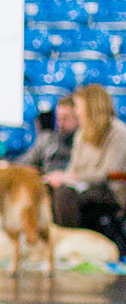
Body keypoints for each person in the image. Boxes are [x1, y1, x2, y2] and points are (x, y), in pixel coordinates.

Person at [48, 84, 126, 256]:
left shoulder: (117, 133)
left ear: (91, 108)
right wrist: (63, 177)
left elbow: (109, 173)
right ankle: (57, 244)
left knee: (65, 195)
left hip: (110, 192)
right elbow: (73, 167)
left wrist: (75, 177)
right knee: (56, 189)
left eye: (79, 108)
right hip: (83, 187)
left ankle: (72, 244)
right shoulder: (82, 133)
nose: (77, 112)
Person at [17, 95, 77, 175]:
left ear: (77, 118)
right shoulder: (47, 139)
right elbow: (25, 161)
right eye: (59, 119)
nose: (61, 124)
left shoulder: (82, 143)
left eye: (65, 118)